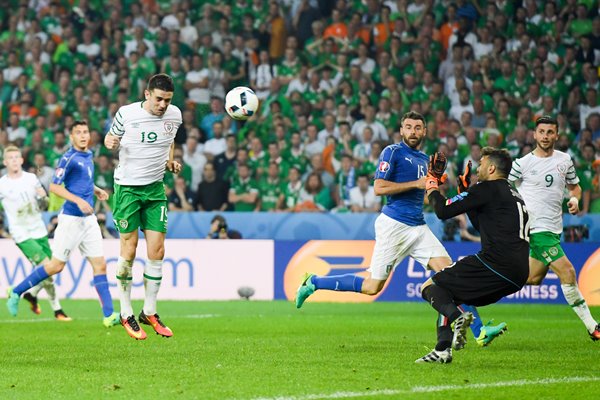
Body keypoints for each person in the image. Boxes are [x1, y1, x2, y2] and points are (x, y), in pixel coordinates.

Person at [295, 111, 506, 345]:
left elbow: (425, 198)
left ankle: (479, 331)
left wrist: (441, 190)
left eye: (418, 128)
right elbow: (379, 187)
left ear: (424, 131)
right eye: (408, 127)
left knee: (451, 275)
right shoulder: (392, 152)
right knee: (371, 286)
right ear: (401, 130)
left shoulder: (425, 159)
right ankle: (313, 282)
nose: (413, 132)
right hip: (394, 226)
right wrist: (417, 183)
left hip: (418, 227)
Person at [415, 147, 531, 364]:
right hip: (518, 273)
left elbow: (442, 211)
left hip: (495, 263)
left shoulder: (487, 188)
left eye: (481, 164)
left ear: (492, 167)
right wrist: (465, 189)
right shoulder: (513, 193)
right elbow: (482, 225)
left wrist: (431, 183)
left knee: (429, 287)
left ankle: (459, 318)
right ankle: (442, 350)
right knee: (448, 296)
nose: (477, 169)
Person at [6, 121, 119, 328]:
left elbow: (82, 182)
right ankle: (16, 291)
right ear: (71, 137)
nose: (84, 136)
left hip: (89, 219)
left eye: (86, 132)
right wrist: (78, 201)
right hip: (71, 219)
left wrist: (96, 190)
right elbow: (54, 187)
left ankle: (109, 315)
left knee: (100, 264)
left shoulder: (89, 155)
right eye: (79, 133)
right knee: (56, 266)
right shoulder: (68, 158)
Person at [104, 73, 182, 340]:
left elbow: (170, 139)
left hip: (155, 189)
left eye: (167, 100)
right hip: (127, 189)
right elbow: (108, 138)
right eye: (159, 99)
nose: (163, 105)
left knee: (157, 250)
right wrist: (110, 142)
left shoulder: (175, 115)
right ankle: (126, 311)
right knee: (129, 248)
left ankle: (149, 311)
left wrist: (170, 161)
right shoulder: (126, 114)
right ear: (147, 94)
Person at [509, 115, 600, 341]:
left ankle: (483, 283)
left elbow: (576, 188)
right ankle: (593, 327)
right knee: (568, 272)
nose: (546, 136)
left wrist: (575, 200)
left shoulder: (565, 160)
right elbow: (502, 186)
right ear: (534, 134)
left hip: (553, 229)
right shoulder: (522, 163)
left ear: (557, 135)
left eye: (550, 132)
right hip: (536, 229)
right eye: (542, 132)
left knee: (532, 279)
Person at [0, 146, 71, 321]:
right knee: (47, 265)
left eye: (17, 157)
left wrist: (42, 196)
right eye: (11, 158)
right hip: (21, 233)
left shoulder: (31, 178)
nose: (15, 160)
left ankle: (32, 294)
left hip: (38, 229)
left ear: (22, 160)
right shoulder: (2, 184)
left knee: (49, 270)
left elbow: (45, 203)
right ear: (5, 162)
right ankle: (56, 309)